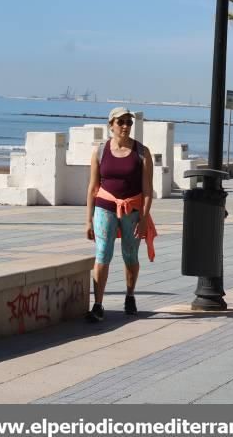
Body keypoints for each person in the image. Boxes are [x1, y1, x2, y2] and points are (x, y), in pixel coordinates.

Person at [84, 107, 155, 322]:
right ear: (111, 125)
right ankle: (98, 304)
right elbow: (92, 187)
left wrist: (143, 219)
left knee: (130, 255)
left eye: (128, 122)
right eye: (121, 122)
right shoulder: (100, 151)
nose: (125, 126)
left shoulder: (142, 152)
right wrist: (88, 219)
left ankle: (130, 296)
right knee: (103, 252)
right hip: (104, 206)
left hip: (132, 209)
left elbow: (148, 190)